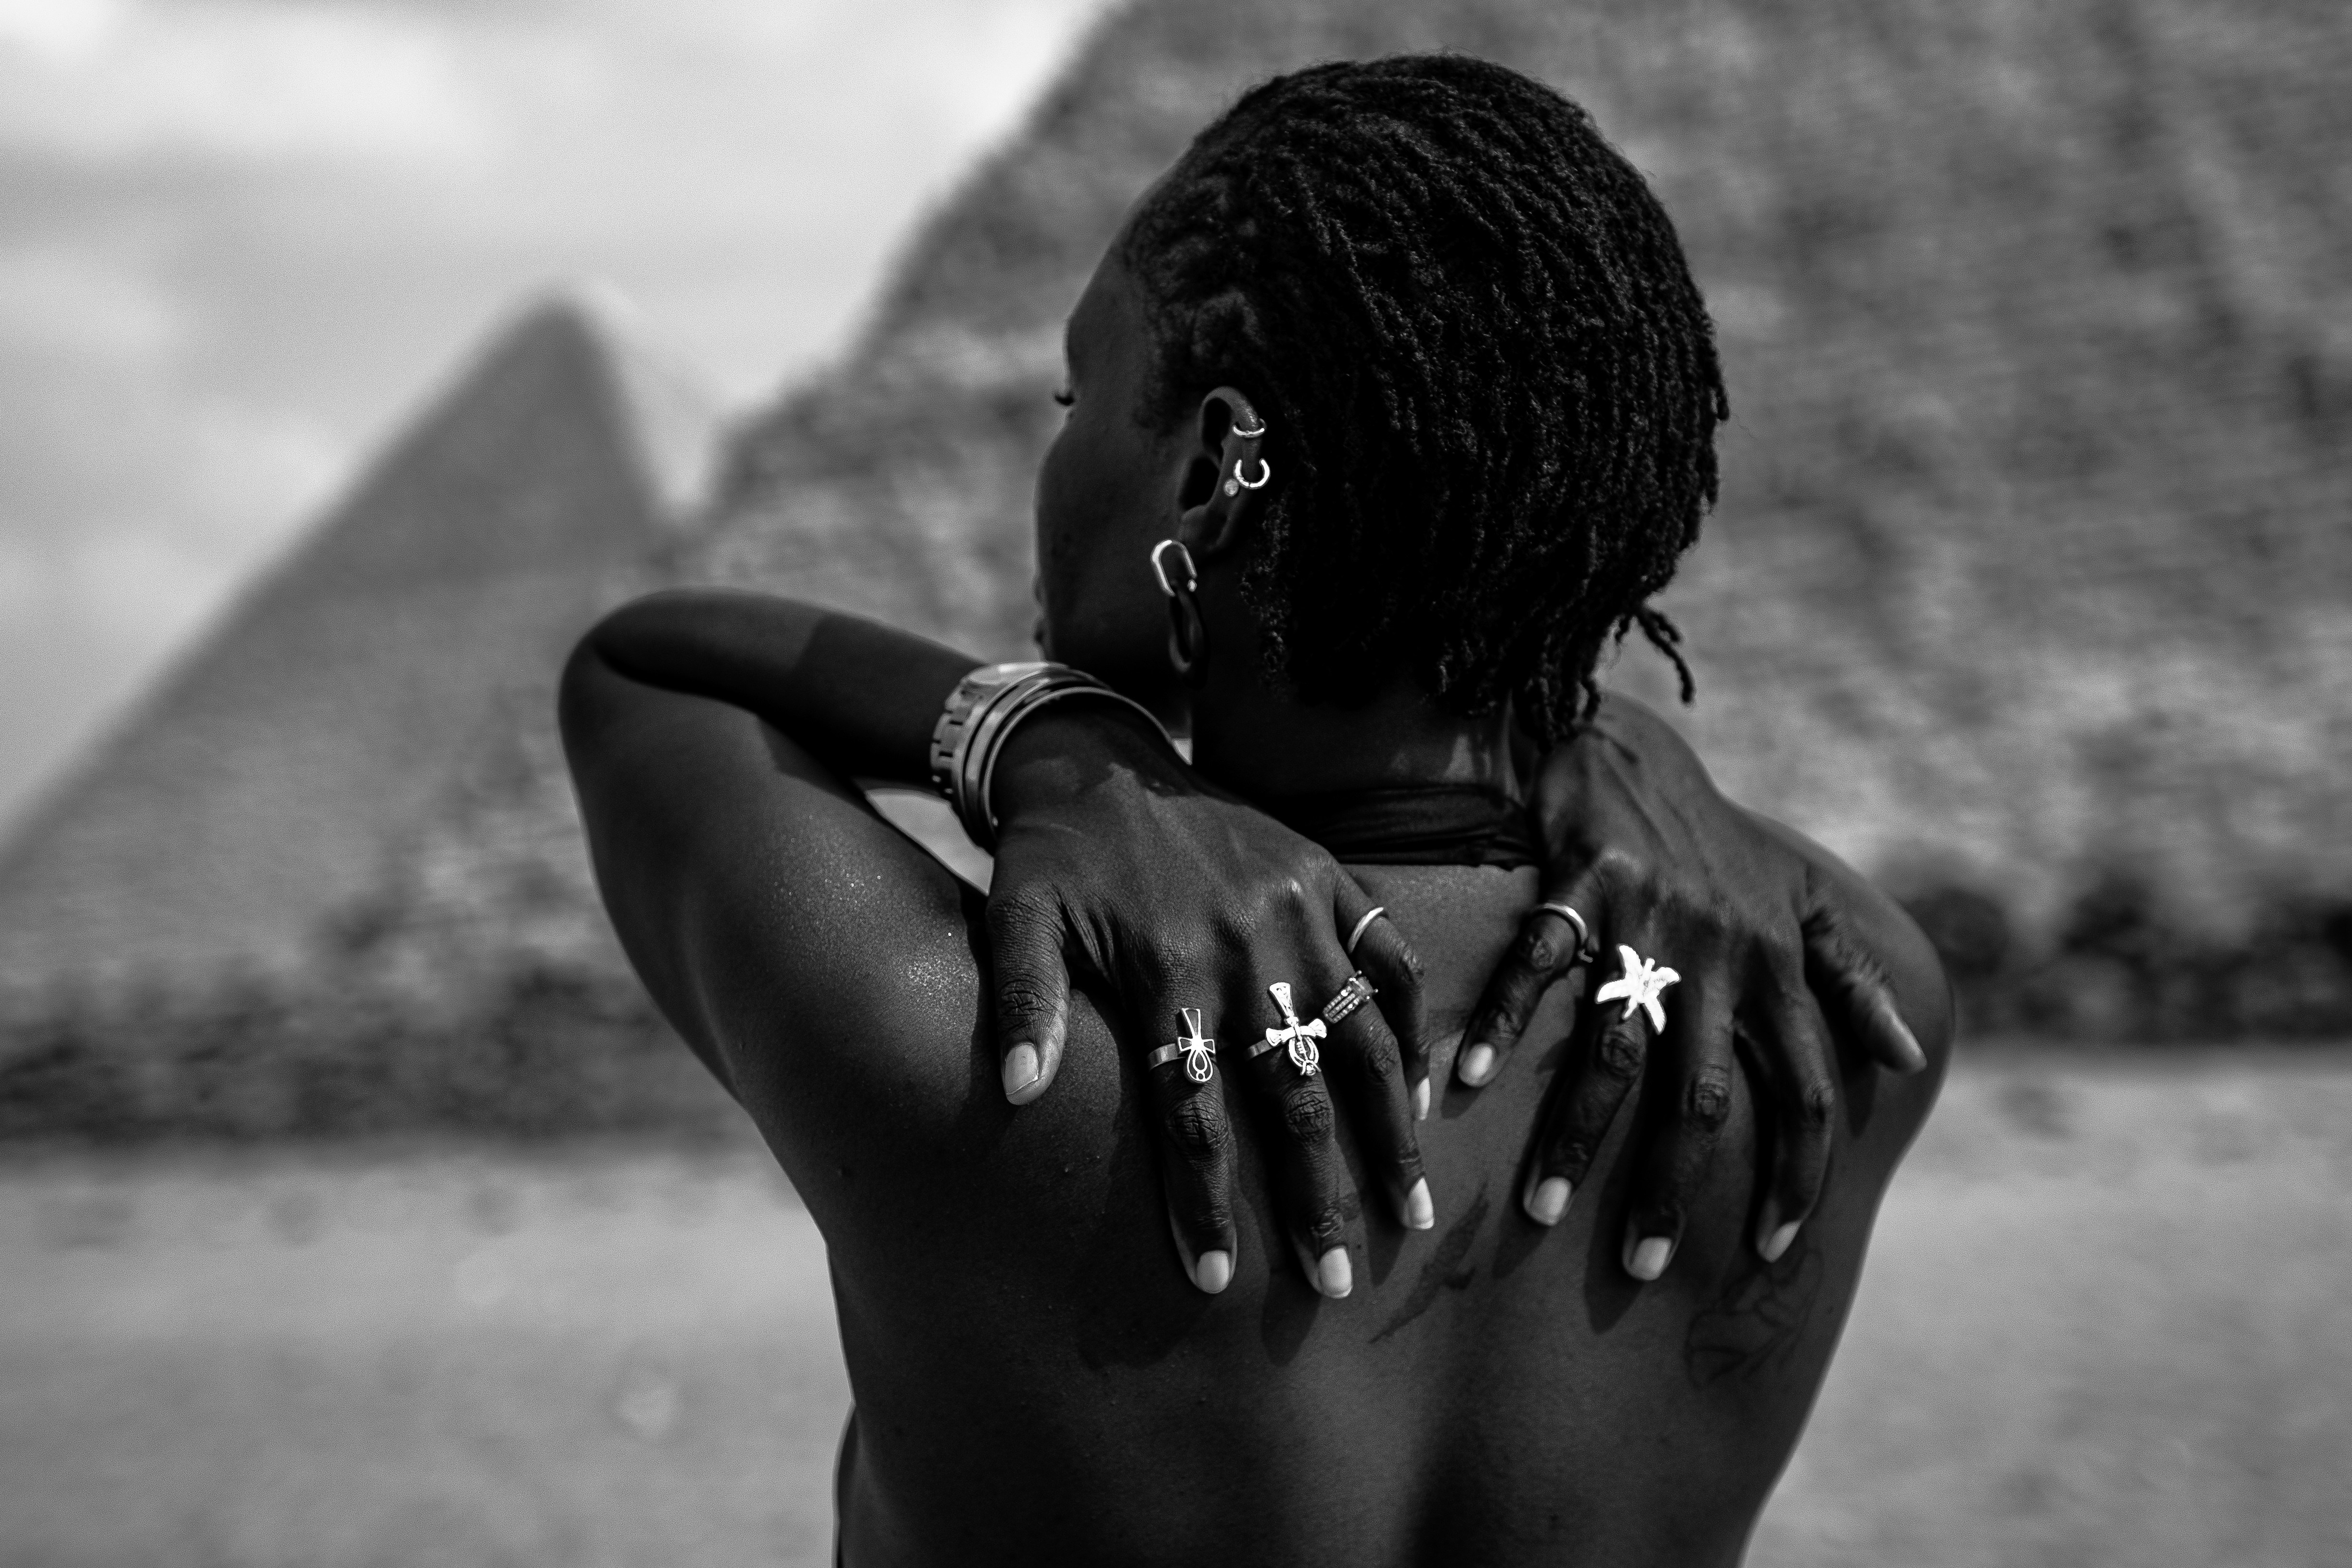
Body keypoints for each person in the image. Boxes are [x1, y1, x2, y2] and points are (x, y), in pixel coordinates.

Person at [561, 56, 1950, 1568]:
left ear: (1219, 469)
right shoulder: (1849, 1014)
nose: (1049, 456)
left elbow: (639, 672)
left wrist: (1046, 739)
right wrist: (1601, 726)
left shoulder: (969, 1052)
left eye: (1074, 396)